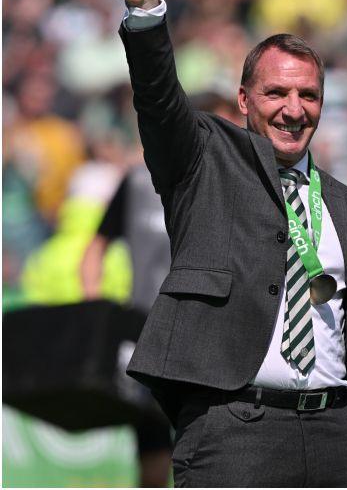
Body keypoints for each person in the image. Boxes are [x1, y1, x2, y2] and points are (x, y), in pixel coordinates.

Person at [91, 0, 347, 487]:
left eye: (308, 95)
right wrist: (146, 11)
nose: (293, 109)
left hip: (338, 439)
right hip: (234, 432)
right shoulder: (203, 163)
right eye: (276, 93)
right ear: (245, 100)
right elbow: (158, 100)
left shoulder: (346, 204)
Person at [79, 93, 243, 487]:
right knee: (152, 449)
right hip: (147, 331)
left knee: (207, 447)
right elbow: (94, 249)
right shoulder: (137, 180)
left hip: (210, 332)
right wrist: (95, 308)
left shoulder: (236, 183)